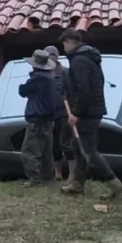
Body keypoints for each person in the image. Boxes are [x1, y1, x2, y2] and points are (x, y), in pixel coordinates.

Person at [59, 29, 122, 199]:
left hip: (87, 112)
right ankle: (78, 184)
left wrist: (75, 112)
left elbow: (83, 90)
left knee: (89, 150)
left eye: (65, 43)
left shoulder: (80, 61)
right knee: (77, 147)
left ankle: (113, 182)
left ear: (72, 41)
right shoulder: (90, 58)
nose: (64, 47)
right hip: (94, 109)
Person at [18, 49, 57, 186]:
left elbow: (23, 90)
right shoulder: (51, 79)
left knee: (30, 150)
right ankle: (47, 176)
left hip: (36, 118)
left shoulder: (38, 78)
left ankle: (34, 177)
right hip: (48, 119)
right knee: (46, 149)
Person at [46, 46, 73, 182]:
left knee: (66, 144)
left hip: (64, 113)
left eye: (53, 55)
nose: (51, 58)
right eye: (48, 55)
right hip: (49, 114)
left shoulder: (65, 72)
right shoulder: (44, 72)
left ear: (57, 57)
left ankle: (72, 174)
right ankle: (58, 174)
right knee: (54, 145)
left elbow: (71, 92)